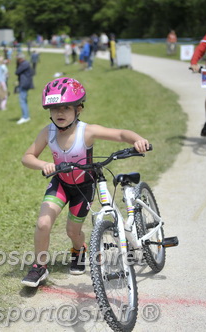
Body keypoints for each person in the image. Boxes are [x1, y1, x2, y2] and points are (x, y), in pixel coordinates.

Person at [20, 77, 150, 287]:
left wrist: (137, 140)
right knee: (43, 223)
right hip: (60, 184)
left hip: (83, 187)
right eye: (54, 109)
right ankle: (39, 267)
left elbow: (119, 134)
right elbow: (27, 157)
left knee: (73, 231)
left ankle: (78, 250)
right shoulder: (48, 132)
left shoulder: (86, 132)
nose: (59, 113)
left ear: (78, 109)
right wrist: (43, 164)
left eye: (65, 108)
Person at [15, 53, 34, 124]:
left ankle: (25, 117)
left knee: (22, 100)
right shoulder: (26, 63)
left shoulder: (24, 64)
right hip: (26, 83)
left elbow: (17, 72)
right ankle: (26, 116)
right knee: (24, 100)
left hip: (24, 84)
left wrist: (18, 64)